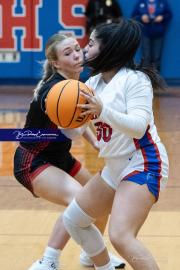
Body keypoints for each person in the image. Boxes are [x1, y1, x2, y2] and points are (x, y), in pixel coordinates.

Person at [62, 19, 169, 270]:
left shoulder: (135, 80)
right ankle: (104, 266)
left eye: (90, 44)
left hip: (143, 162)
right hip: (114, 167)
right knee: (74, 220)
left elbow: (138, 126)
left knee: (121, 236)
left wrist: (103, 110)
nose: (84, 50)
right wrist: (60, 118)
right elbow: (73, 131)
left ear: (108, 49)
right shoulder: (92, 84)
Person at [13, 33, 125, 270]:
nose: (76, 55)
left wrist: (94, 141)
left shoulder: (74, 86)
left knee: (101, 201)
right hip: (33, 161)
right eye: (67, 53)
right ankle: (47, 262)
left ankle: (90, 255)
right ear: (56, 63)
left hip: (60, 158)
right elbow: (71, 126)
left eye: (77, 49)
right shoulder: (52, 91)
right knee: (80, 203)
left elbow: (76, 119)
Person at [132, 0, 172, 72]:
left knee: (156, 57)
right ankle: (145, 78)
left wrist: (162, 17)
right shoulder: (141, 2)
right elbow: (134, 16)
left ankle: (156, 79)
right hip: (145, 33)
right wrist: (141, 17)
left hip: (158, 33)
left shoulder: (162, 2)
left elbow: (169, 14)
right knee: (146, 56)